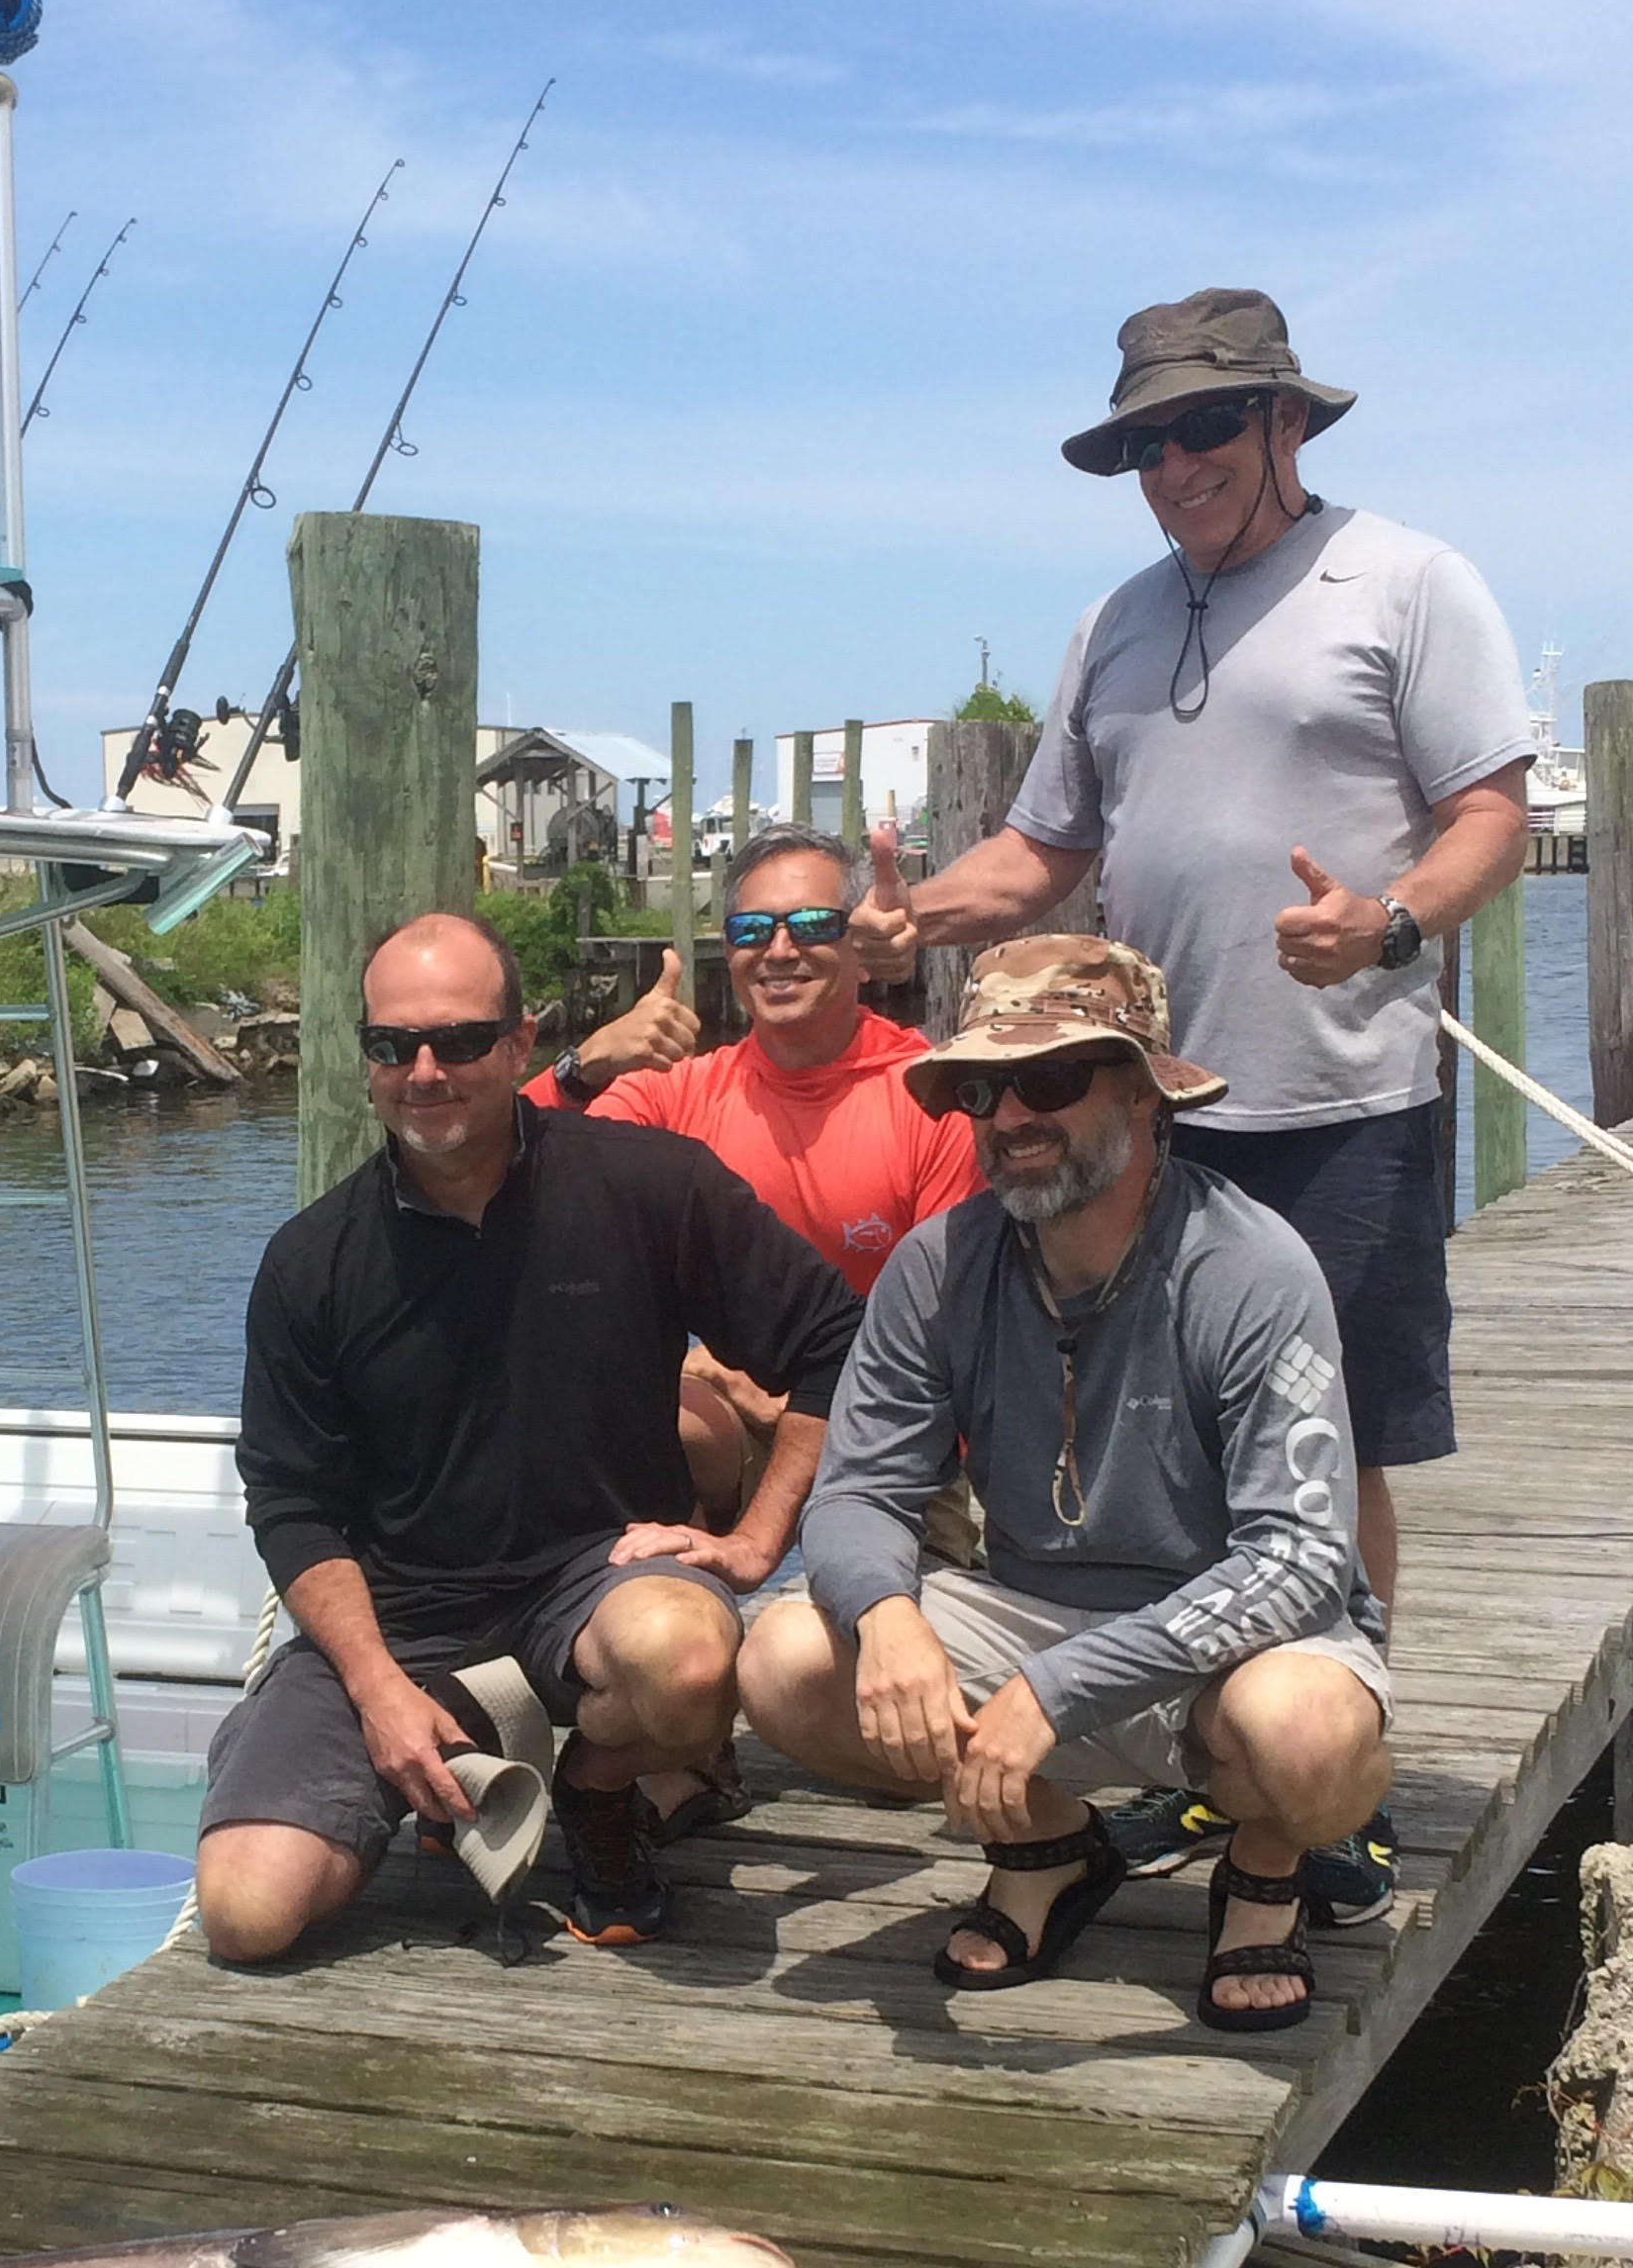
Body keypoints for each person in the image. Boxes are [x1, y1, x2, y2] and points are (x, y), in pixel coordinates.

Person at [849, 288, 1529, 1910]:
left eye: (1205, 423)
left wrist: (1385, 922)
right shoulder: (1117, 619)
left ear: (1285, 421)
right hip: (1145, 1112)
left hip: (1337, 1098)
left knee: (1335, 1435)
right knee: (1158, 1450)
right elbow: (1045, 853)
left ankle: (1318, 1775)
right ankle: (1190, 1754)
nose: (1172, 461)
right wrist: (914, 916)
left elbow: (1489, 813)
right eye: (1143, 439)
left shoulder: (1407, 580)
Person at [740, 935, 1393, 2034]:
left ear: (1145, 1092)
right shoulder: (937, 1264)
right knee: (788, 1659)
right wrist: (887, 1613)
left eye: (1047, 1079)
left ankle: (1265, 1868)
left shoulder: (1252, 1266)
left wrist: (1055, 1691)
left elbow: (1299, 1560)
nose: (1006, 1118)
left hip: (1227, 1648)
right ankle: (1045, 1850)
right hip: (1032, 1611)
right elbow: (855, 1492)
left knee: (1311, 1736)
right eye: (982, 1089)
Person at [197, 909, 861, 1960]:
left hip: (591, 1583)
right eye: (391, 1045)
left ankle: (595, 1785)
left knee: (688, 1663)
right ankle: (401, 1753)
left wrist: (758, 1542)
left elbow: (835, 1339)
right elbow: (291, 1503)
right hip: (396, 1618)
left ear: (521, 1045)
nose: (424, 1070)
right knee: (247, 1915)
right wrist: (379, 1696)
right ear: (363, 1061)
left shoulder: (651, 1186)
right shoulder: (307, 1263)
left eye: (460, 1041)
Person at [523, 822, 983, 1836]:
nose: (780, 949)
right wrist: (581, 1066)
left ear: (860, 938)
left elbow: (948, 1345)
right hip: (737, 1418)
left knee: (915, 1740)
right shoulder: (687, 1093)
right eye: (752, 927)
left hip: (899, 1435)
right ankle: (686, 1738)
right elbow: (492, 1155)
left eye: (812, 923)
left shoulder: (932, 1099)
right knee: (680, 1421)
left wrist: (780, 1397)